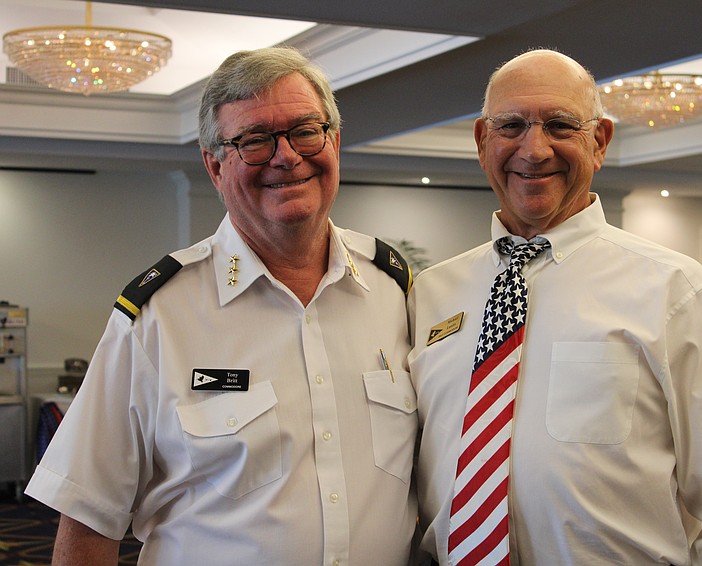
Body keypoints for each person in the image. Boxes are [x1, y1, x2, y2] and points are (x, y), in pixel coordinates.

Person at [26, 46, 418, 565]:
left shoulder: (396, 292)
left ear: (334, 141)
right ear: (214, 166)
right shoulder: (159, 316)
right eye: (254, 140)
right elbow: (89, 521)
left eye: (305, 130)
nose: (286, 156)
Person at [408, 49, 702, 564]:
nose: (534, 150)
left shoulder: (673, 288)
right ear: (481, 141)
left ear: (599, 141)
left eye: (559, 125)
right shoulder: (430, 294)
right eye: (510, 126)